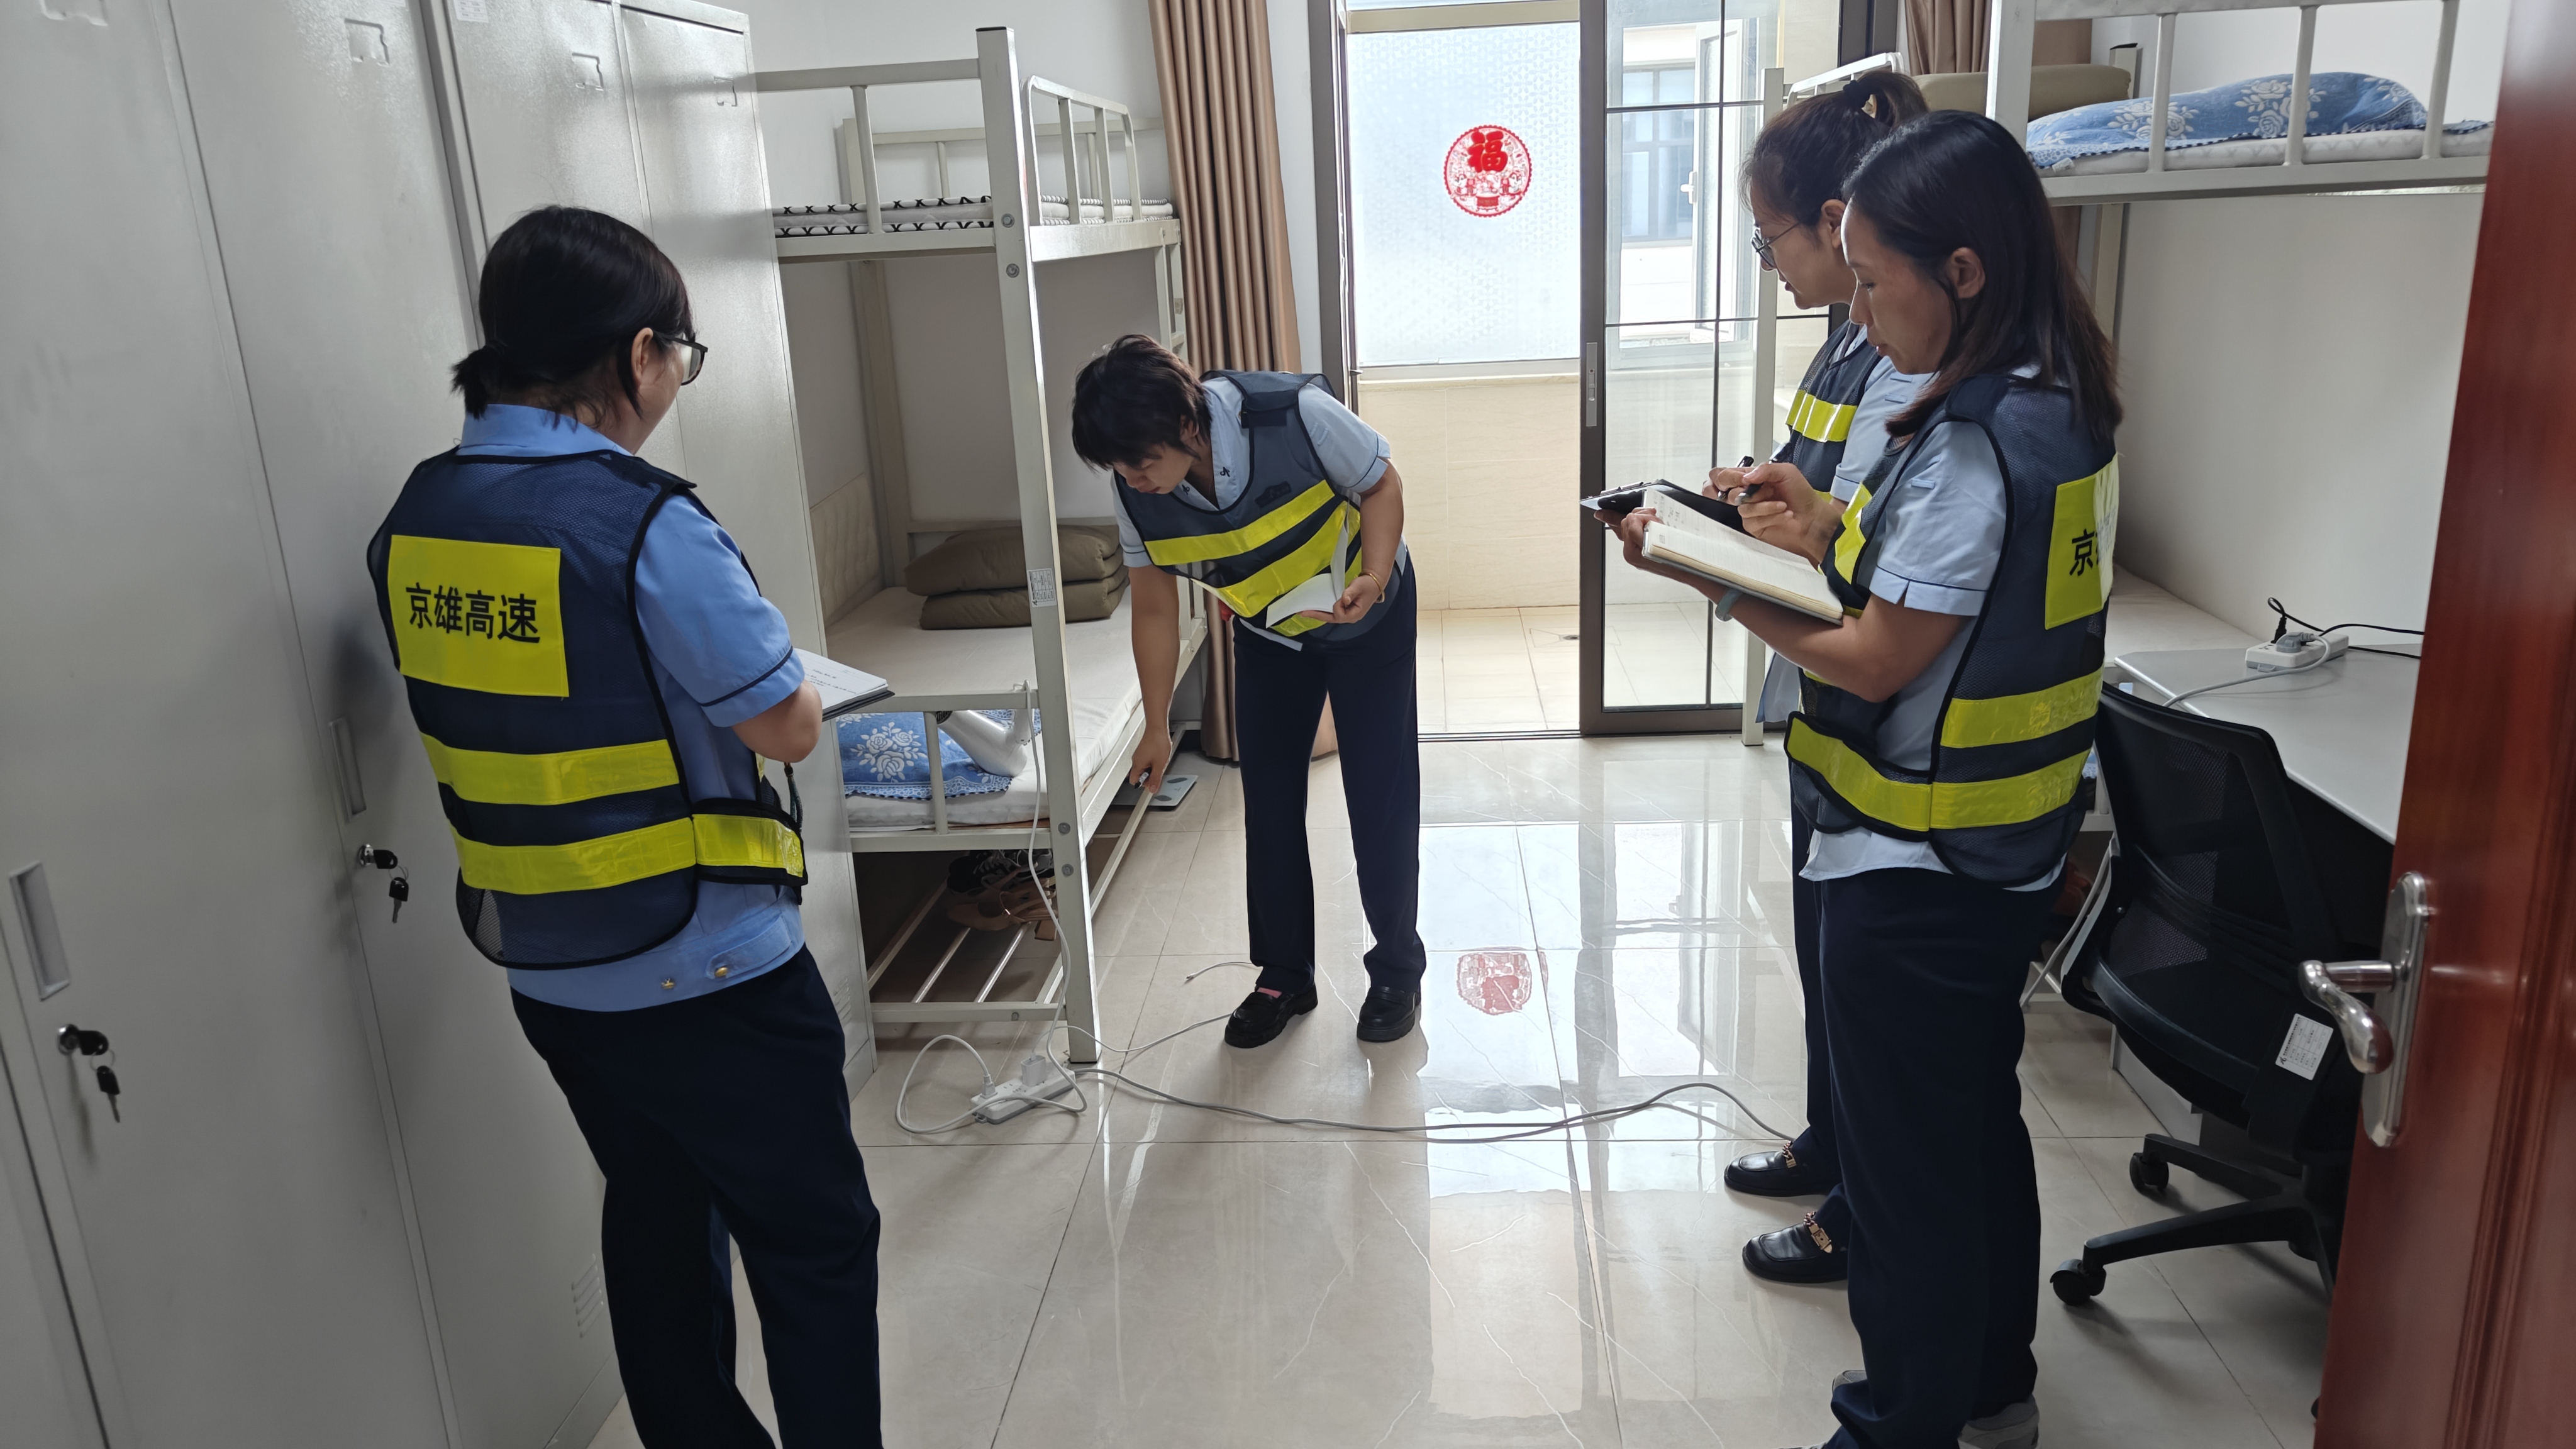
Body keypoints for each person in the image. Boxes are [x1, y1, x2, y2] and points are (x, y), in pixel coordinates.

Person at [1612, 111, 2120, 1449]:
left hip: (1915, 855)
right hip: (2001, 846)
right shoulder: (2050, 406)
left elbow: (1881, 655)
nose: (1860, 308)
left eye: (1875, 278)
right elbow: (1960, 587)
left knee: (1902, 1176)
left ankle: (1901, 1419)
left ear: (1962, 270)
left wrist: (1716, 580)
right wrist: (1826, 518)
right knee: (1973, 1130)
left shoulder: (1966, 440)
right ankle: (1992, 1387)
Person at [365, 207, 881, 1448]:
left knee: (654, 1224)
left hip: (550, 970)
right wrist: (788, 680)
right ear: (638, 354)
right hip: (710, 973)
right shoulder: (641, 521)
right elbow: (786, 727)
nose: (673, 386)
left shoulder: (420, 517)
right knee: (813, 1244)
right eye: (678, 359)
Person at [1697, 69, 1931, 1291]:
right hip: (1830, 712)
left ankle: (1855, 1206)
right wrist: (1750, 497)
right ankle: (1829, 1141)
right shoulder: (1847, 340)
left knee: (1869, 993)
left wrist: (1724, 567)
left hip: (1881, 720)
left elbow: (1869, 547)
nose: (1767, 262)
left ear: (1838, 222)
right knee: (1823, 957)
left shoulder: (1909, 360)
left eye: (1768, 236)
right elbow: (1823, 496)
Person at [1070, 336, 1426, 1047]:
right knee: (1268, 807)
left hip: (1367, 615)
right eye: (1119, 468)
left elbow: (1382, 484)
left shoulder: (1292, 413)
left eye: (1142, 462)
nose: (1134, 480)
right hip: (1270, 635)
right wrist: (1155, 724)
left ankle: (1395, 970)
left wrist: (1375, 575)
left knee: (1379, 798)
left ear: (1186, 424)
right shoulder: (1137, 492)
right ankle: (1283, 976)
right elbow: (1153, 608)